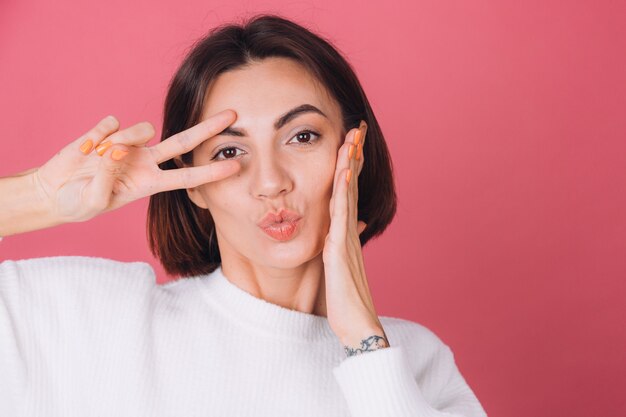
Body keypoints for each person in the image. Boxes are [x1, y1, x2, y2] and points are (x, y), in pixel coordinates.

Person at [0, 14, 488, 417]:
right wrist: (40, 195)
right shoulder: (92, 321)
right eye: (229, 151)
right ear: (193, 187)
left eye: (302, 136)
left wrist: (364, 344)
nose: (270, 181)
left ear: (353, 151)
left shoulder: (410, 361)